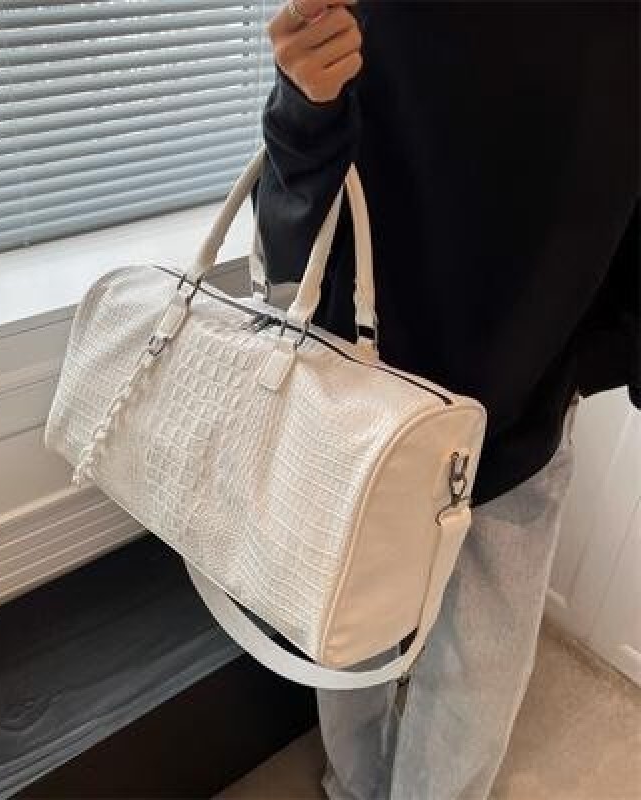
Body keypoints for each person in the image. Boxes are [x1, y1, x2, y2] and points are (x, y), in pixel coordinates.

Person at [250, 1, 640, 799]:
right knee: (364, 639)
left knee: (464, 667)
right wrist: (303, 99)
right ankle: (354, 786)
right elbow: (296, 219)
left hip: (515, 397)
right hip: (376, 390)